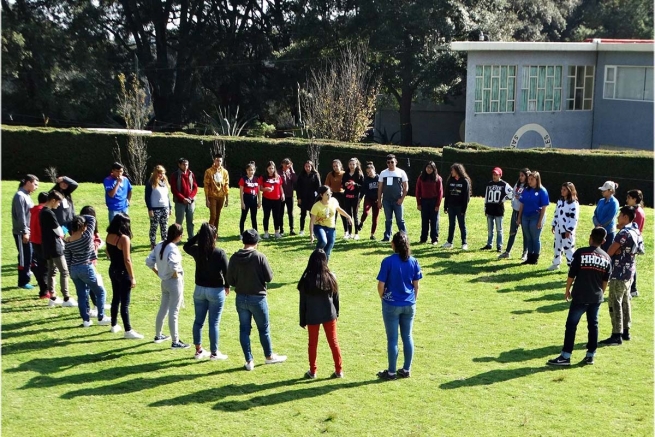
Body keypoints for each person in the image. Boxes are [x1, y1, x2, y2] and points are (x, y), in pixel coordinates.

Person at [546, 228, 612, 366]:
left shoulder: (581, 253)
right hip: (596, 297)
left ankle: (566, 356)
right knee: (593, 325)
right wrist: (600, 293)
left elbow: (572, 274)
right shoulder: (607, 258)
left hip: (580, 296)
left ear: (590, 237)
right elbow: (605, 282)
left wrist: (567, 290)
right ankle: (590, 355)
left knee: (571, 325)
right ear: (604, 241)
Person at [226, 229, 287, 371]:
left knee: (244, 330)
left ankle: (249, 360)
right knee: (263, 329)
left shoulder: (235, 257)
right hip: (258, 298)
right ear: (257, 242)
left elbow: (230, 280)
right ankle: (269, 356)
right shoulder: (259, 257)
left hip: (241, 298)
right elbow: (269, 277)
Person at [376, 232, 422, 380]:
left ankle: (391, 372)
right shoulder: (414, 261)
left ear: (393, 244)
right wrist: (413, 300)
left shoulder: (387, 261)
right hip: (409, 304)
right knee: (407, 336)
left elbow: (381, 285)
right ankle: (406, 369)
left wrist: (383, 298)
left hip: (391, 304)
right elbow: (416, 286)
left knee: (392, 340)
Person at [599, 206, 645, 346]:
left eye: (620, 215)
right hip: (630, 271)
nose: (618, 218)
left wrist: (617, 249)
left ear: (625, 217)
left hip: (618, 271)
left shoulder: (624, 233)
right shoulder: (635, 230)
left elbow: (610, 251)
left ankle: (616, 334)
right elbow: (641, 250)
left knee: (615, 301)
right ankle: (626, 331)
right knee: (625, 300)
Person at [184, 223, 230, 360]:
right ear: (214, 237)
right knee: (214, 323)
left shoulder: (197, 250)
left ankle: (198, 350)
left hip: (199, 289)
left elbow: (186, 246)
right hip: (216, 290)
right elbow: (227, 272)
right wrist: (227, 285)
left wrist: (199, 235)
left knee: (198, 321)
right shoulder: (219, 253)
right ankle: (214, 353)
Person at [298, 249, 343, 379]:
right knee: (333, 342)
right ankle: (339, 370)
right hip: (329, 314)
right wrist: (337, 314)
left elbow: (303, 302)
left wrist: (302, 320)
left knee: (312, 343)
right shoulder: (331, 277)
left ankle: (313, 371)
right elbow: (336, 299)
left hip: (312, 315)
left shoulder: (306, 278)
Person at [64, 214, 111, 328]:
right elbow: (92, 219)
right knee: (100, 292)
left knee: (81, 295)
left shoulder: (67, 241)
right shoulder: (87, 237)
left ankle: (86, 320)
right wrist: (81, 216)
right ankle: (101, 317)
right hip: (86, 267)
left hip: (74, 269)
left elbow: (68, 258)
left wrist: (71, 271)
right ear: (83, 226)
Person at [147, 223, 188, 349]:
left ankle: (158, 335)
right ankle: (175, 341)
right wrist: (175, 275)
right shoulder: (172, 248)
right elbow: (174, 265)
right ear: (178, 236)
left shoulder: (160, 245)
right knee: (174, 312)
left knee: (163, 308)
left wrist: (159, 273)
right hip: (173, 282)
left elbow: (149, 261)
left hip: (164, 282)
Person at [106, 213, 143, 339]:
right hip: (123, 272)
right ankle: (128, 330)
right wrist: (132, 277)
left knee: (116, 298)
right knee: (125, 303)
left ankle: (114, 324)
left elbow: (107, 251)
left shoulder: (109, 236)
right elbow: (127, 260)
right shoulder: (124, 239)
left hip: (113, 269)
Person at [40, 190, 76, 307]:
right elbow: (59, 231)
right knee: (64, 271)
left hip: (46, 246)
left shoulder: (42, 212)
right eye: (58, 202)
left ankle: (53, 297)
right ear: (53, 200)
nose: (59, 205)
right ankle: (66, 298)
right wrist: (64, 231)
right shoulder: (50, 213)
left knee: (52, 271)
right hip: (55, 246)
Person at [309, 186, 353, 260]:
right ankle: (315, 256)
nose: (329, 195)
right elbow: (312, 222)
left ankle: (324, 268)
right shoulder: (316, 206)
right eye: (327, 194)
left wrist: (348, 216)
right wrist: (311, 235)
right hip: (319, 226)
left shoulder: (334, 201)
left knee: (328, 251)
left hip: (331, 228)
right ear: (321, 195)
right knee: (323, 241)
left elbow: (339, 209)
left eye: (330, 193)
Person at [79, 205, 107, 317]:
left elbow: (98, 239)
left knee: (89, 287)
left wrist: (98, 242)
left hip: (90, 262)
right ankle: (94, 308)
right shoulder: (85, 232)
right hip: (88, 262)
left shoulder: (87, 230)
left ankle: (93, 306)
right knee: (93, 287)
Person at [12, 174, 39, 289]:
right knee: (25, 258)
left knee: (31, 256)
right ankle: (22, 282)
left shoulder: (26, 195)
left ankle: (37, 278)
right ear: (28, 182)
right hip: (22, 233)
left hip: (29, 231)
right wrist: (25, 232)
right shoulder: (20, 196)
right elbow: (21, 216)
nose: (36, 187)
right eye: (35, 184)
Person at [517, 171, 549, 265]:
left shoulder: (542, 191)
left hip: (536, 216)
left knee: (535, 237)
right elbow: (522, 204)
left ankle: (535, 258)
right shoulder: (526, 190)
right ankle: (529, 257)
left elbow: (544, 208)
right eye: (529, 179)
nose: (529, 181)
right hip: (526, 216)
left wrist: (540, 221)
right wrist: (519, 217)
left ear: (537, 180)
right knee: (528, 237)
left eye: (532, 179)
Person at [499, 168, 530, 260]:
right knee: (512, 231)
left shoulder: (529, 187)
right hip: (515, 211)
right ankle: (507, 252)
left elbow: (526, 198)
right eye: (520, 175)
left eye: (522, 176)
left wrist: (520, 197)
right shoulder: (518, 184)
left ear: (527, 176)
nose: (520, 177)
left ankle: (525, 253)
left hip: (524, 212)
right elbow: (513, 193)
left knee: (525, 233)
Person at [548, 182, 580, 271]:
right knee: (557, 245)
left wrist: (569, 230)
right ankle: (556, 263)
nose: (562, 191)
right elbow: (556, 214)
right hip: (558, 228)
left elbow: (574, 219)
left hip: (567, 230)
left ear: (570, 191)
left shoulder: (574, 203)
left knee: (568, 248)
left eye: (564, 190)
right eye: (562, 189)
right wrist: (554, 224)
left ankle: (572, 266)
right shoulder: (560, 201)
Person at [377, 154, 409, 242]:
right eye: (388, 162)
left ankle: (404, 237)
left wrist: (402, 199)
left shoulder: (401, 172)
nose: (390, 164)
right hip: (386, 200)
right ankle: (387, 237)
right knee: (388, 219)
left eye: (392, 162)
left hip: (397, 200)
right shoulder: (383, 173)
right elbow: (380, 188)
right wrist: (379, 200)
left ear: (396, 162)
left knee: (400, 220)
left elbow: (406, 187)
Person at [481, 167, 512, 252]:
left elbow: (512, 193)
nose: (494, 176)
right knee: (490, 229)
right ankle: (489, 244)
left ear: (500, 175)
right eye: (493, 174)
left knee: (499, 229)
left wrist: (504, 199)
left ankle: (499, 246)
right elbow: (486, 197)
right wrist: (485, 208)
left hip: (498, 210)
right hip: (490, 209)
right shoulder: (489, 184)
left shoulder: (504, 184)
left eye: (496, 175)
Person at [442, 163, 471, 250]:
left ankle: (464, 243)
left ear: (458, 171)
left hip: (460, 207)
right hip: (451, 206)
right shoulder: (450, 180)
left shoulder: (465, 181)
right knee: (451, 224)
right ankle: (449, 242)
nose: (451, 172)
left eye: (453, 170)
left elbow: (466, 197)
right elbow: (447, 194)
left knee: (462, 225)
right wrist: (445, 206)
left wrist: (463, 209)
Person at [415, 161, 443, 245]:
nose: (429, 169)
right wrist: (419, 203)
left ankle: (434, 239)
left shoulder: (438, 178)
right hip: (424, 201)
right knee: (424, 220)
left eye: (431, 168)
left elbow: (440, 192)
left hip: (434, 201)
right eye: (427, 167)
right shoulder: (421, 177)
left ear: (434, 169)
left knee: (434, 221)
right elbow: (417, 191)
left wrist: (437, 204)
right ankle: (423, 238)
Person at [170, 157, 198, 239]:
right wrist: (183, 198)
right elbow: (174, 189)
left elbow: (195, 187)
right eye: (183, 164)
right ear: (179, 165)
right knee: (179, 221)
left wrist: (190, 197)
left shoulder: (191, 174)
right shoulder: (175, 175)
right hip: (180, 202)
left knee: (190, 221)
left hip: (190, 202)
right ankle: (176, 237)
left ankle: (191, 237)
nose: (185, 166)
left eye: (187, 164)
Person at [145, 165, 172, 249]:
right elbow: (147, 197)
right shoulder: (150, 183)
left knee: (164, 226)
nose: (161, 175)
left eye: (163, 173)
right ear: (156, 173)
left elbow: (167, 196)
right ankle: (153, 243)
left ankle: (164, 242)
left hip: (165, 208)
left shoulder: (164, 182)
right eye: (160, 173)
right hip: (155, 208)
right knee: (154, 226)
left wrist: (170, 207)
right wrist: (150, 209)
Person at [30, 192, 50, 298]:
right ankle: (45, 290)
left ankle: (44, 290)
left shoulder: (34, 210)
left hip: (34, 241)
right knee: (45, 267)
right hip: (42, 241)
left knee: (41, 266)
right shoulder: (42, 212)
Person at [203, 153, 230, 233]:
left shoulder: (225, 172)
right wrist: (207, 199)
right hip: (212, 196)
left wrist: (227, 198)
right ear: (214, 160)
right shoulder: (209, 171)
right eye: (217, 160)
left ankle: (215, 233)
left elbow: (226, 184)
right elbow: (206, 185)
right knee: (213, 215)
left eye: (220, 161)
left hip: (221, 196)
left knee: (218, 216)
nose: (218, 162)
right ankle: (209, 233)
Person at [626, 189, 645, 297]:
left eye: (629, 198)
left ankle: (632, 288)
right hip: (635, 240)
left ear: (634, 199)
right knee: (631, 264)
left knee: (630, 264)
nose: (627, 200)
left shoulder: (636, 212)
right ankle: (632, 289)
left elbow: (633, 228)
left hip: (632, 241)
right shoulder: (639, 210)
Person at [258, 161, 284, 239]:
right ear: (267, 169)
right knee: (266, 216)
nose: (271, 170)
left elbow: (280, 186)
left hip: (277, 199)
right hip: (267, 199)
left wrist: (282, 194)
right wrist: (265, 189)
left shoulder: (278, 177)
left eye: (272, 168)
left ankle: (277, 232)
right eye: (269, 168)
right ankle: (266, 232)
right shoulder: (263, 177)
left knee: (276, 216)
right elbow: (260, 188)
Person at [296, 160, 321, 236]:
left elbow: (319, 186)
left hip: (312, 198)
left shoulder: (315, 174)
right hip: (303, 197)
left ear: (312, 167)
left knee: (312, 215)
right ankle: (301, 230)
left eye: (309, 166)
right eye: (306, 166)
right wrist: (299, 197)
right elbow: (298, 187)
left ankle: (313, 231)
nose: (307, 168)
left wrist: (317, 197)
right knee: (303, 215)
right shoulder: (301, 175)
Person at [593, 181, 620, 252]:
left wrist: (600, 226)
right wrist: (597, 224)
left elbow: (610, 218)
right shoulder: (601, 201)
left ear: (610, 191)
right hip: (598, 232)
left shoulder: (614, 203)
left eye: (604, 190)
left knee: (607, 252)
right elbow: (595, 214)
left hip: (608, 233)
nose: (602, 191)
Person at [341, 157, 364, 240]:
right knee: (348, 215)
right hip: (347, 197)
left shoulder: (360, 174)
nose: (351, 166)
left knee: (355, 215)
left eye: (353, 164)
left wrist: (355, 184)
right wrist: (345, 185)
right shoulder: (346, 174)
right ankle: (349, 233)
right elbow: (342, 185)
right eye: (350, 164)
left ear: (356, 165)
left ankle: (356, 233)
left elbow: (362, 187)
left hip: (355, 198)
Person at [358, 162, 380, 241]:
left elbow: (382, 190)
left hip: (377, 200)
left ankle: (372, 234)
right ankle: (361, 223)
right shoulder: (366, 180)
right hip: (368, 199)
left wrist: (380, 199)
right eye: (367, 172)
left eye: (370, 171)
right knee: (366, 212)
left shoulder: (379, 178)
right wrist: (359, 201)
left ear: (374, 170)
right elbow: (363, 191)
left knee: (375, 218)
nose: (369, 173)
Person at [325, 159, 348, 234]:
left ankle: (346, 231)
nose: (335, 167)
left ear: (340, 166)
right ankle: (331, 230)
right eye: (334, 166)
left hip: (342, 195)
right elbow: (326, 186)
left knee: (343, 213)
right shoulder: (330, 174)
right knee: (332, 213)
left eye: (336, 166)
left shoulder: (344, 174)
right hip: (333, 195)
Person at [239, 161, 260, 236]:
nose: (251, 171)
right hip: (246, 198)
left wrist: (259, 201)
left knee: (254, 217)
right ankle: (241, 233)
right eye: (249, 170)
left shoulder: (257, 179)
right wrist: (242, 202)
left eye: (252, 170)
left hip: (254, 199)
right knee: (243, 217)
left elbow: (258, 191)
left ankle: (256, 233)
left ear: (254, 170)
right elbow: (241, 191)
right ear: (246, 170)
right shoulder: (243, 179)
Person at [279, 158, 297, 235]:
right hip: (281, 195)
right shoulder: (279, 172)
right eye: (285, 164)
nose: (287, 165)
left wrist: (292, 169)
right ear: (282, 164)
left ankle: (291, 229)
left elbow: (295, 180)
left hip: (290, 195)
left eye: (288, 164)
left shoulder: (290, 172)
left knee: (290, 212)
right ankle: (281, 230)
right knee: (281, 213)